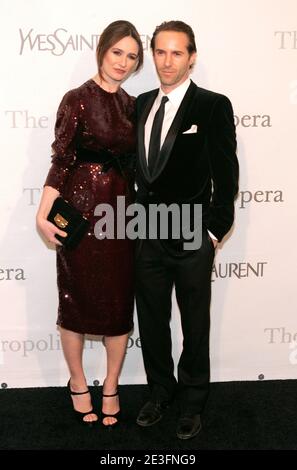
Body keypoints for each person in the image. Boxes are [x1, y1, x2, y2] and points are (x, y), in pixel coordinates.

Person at [36, 20, 143, 427]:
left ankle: (112, 385)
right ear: (102, 50)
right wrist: (44, 207)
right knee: (75, 299)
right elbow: (61, 158)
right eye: (117, 52)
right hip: (79, 210)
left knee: (118, 302)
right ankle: (78, 381)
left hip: (120, 213)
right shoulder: (76, 99)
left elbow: (141, 165)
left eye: (132, 56)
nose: (123, 62)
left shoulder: (135, 105)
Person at [135, 21, 239, 439]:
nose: (167, 61)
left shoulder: (212, 106)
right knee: (152, 321)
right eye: (160, 52)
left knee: (195, 323)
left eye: (177, 53)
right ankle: (160, 391)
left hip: (193, 234)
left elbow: (226, 173)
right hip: (146, 232)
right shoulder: (141, 103)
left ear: (191, 57)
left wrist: (215, 231)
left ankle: (193, 400)